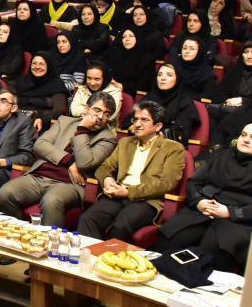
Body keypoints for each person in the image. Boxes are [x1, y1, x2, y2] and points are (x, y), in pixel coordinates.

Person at [156, 121, 252, 273]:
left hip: (236, 220)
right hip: (205, 209)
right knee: (171, 238)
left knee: (211, 251)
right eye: (243, 135)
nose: (246, 140)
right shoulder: (222, 155)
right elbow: (194, 182)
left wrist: (230, 212)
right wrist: (199, 201)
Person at [0, 92, 119, 230]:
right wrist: (69, 161)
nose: (100, 117)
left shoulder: (108, 138)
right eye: (97, 110)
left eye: (107, 114)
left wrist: (82, 130)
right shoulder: (65, 122)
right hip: (39, 177)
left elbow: (85, 162)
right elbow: (40, 144)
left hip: (69, 184)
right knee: (6, 192)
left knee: (51, 200)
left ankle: (49, 243)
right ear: (86, 108)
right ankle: (16, 234)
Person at [80, 101, 188, 242]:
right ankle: (90, 255)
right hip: (118, 194)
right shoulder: (125, 142)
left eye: (144, 120)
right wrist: (107, 179)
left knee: (121, 226)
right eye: (135, 119)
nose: (137, 124)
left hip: (147, 201)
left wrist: (128, 192)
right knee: (88, 218)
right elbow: (104, 167)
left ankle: (110, 257)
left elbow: (166, 184)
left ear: (158, 126)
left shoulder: (173, 148)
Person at [69, 60, 122, 126]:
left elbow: (110, 116)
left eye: (97, 79)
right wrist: (96, 111)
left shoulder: (115, 92)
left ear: (104, 78)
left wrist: (84, 110)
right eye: (89, 78)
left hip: (104, 129)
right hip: (79, 124)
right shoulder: (82, 89)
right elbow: (74, 111)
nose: (92, 83)